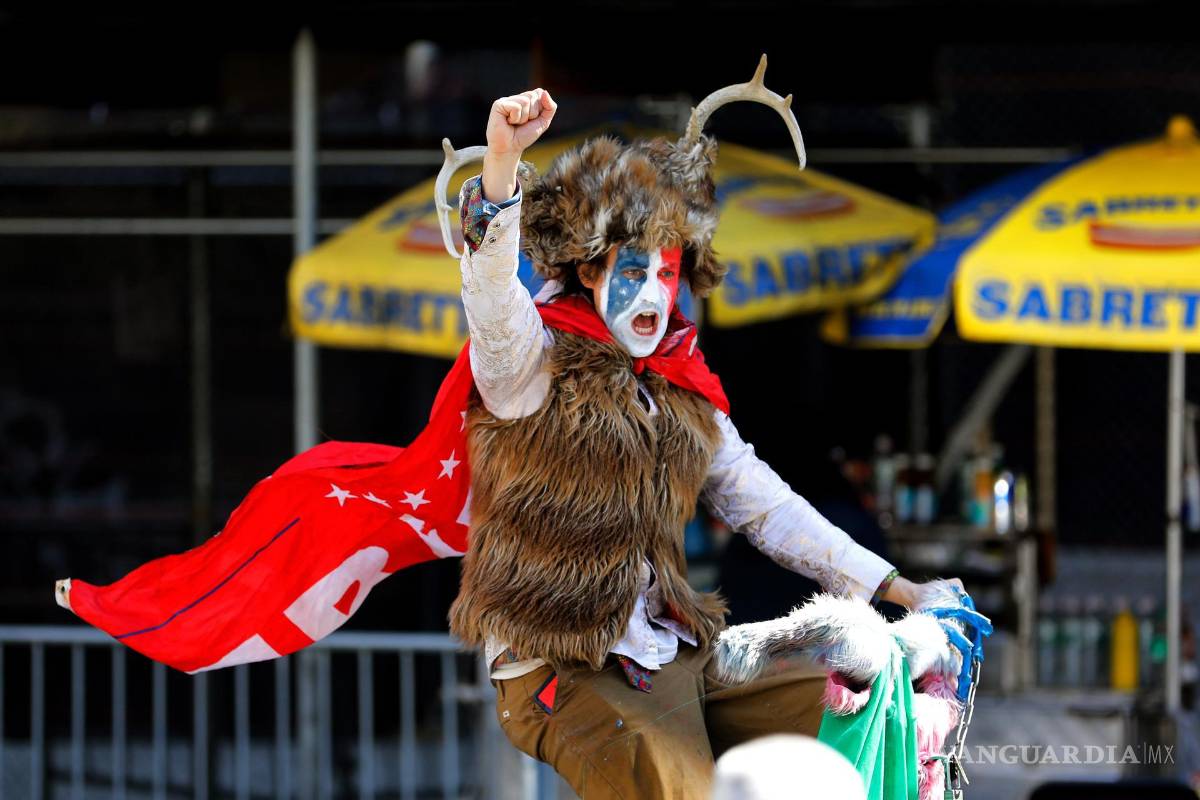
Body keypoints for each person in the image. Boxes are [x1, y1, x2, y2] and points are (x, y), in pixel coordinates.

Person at [448, 85, 966, 799]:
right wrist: (502, 164)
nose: (654, 295)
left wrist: (898, 588)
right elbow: (489, 293)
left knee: (855, 703)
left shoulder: (683, 388)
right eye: (634, 271)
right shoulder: (529, 363)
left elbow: (767, 507)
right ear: (590, 271)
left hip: (670, 657)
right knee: (676, 783)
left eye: (667, 273)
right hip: (560, 668)